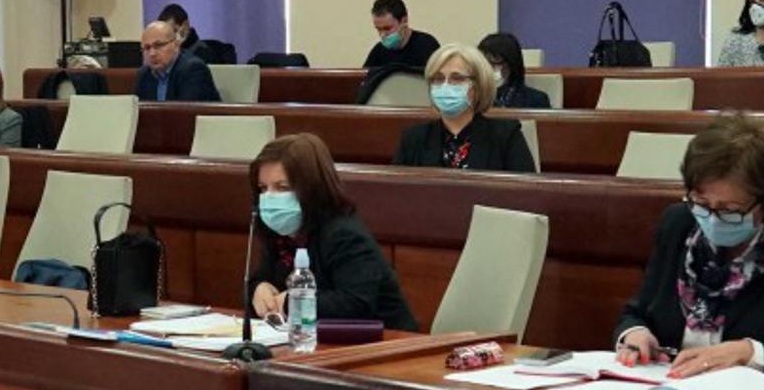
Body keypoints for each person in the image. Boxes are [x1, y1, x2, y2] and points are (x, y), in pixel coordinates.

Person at [614, 114, 764, 384]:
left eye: (730, 210)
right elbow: (639, 311)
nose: (712, 218)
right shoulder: (678, 224)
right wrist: (634, 333)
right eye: (701, 202)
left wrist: (751, 353)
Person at [249, 133, 418, 332]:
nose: (270, 198)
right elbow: (261, 278)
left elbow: (356, 303)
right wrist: (258, 289)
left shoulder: (344, 234)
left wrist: (292, 302)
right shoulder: (280, 233)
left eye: (282, 187)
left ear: (311, 187)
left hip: (388, 342)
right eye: (263, 189)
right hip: (312, 341)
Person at [393, 44, 535, 172]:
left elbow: (525, 190)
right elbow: (397, 189)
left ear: (478, 85)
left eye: (457, 78)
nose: (445, 86)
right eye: (438, 79)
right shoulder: (414, 138)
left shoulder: (506, 136)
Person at [134, 21, 221, 102]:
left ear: (176, 44)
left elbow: (186, 110)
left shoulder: (193, 69)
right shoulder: (144, 74)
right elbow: (137, 110)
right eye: (147, 48)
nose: (152, 53)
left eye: (158, 45)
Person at [362, 0, 440, 70]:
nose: (382, 35)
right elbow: (363, 77)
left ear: (404, 21)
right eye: (379, 29)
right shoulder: (378, 52)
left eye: (387, 28)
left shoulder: (427, 45)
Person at [477, 33, 552, 109]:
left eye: (495, 62)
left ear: (511, 63)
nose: (488, 69)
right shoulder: (474, 97)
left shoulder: (536, 99)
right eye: (484, 62)